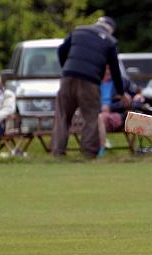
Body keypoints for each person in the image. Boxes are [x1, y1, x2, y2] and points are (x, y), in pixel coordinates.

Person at [52, 16, 126, 158]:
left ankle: (57, 152)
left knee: (62, 116)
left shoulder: (78, 31)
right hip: (89, 82)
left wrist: (66, 69)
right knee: (90, 118)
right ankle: (88, 153)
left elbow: (61, 50)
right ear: (110, 30)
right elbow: (115, 69)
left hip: (68, 78)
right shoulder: (110, 41)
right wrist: (121, 92)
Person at [97, 65, 138, 157]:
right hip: (96, 114)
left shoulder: (122, 82)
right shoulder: (95, 84)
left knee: (100, 118)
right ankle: (93, 149)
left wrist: (110, 107)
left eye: (109, 68)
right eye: (105, 68)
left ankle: (100, 150)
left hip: (117, 115)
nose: (107, 71)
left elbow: (132, 100)